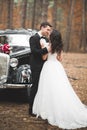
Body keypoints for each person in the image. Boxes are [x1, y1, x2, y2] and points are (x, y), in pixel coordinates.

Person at [33, 29, 87, 129]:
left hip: (48, 67)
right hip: (57, 67)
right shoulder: (59, 47)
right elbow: (60, 59)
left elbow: (44, 58)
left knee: (47, 89)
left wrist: (43, 48)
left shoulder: (48, 46)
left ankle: (48, 110)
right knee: (59, 88)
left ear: (52, 37)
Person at [29, 22, 52, 116]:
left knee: (43, 87)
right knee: (35, 86)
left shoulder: (46, 39)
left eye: (49, 30)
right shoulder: (33, 38)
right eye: (47, 29)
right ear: (42, 28)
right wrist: (47, 50)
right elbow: (34, 52)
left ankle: (40, 107)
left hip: (45, 66)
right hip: (36, 66)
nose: (48, 31)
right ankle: (31, 109)